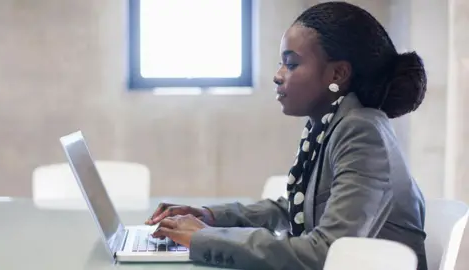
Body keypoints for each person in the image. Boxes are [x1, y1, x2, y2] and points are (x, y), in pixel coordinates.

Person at [145, 2, 428, 270]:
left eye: (291, 64)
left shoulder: (362, 132)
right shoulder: (333, 123)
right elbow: (294, 209)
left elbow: (327, 252)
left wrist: (204, 238)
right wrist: (209, 217)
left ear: (338, 73)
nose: (278, 76)